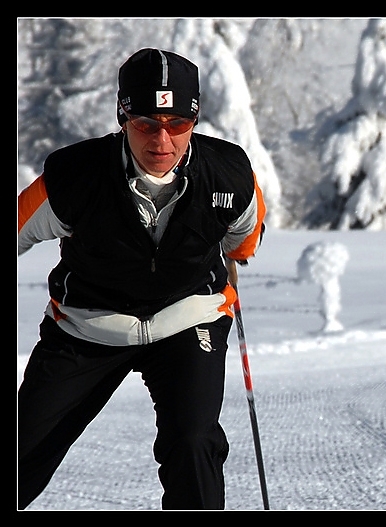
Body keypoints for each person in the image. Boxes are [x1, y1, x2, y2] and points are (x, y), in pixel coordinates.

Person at [17, 48, 266, 510]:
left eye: (177, 125)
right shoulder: (74, 179)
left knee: (193, 442)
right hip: (87, 326)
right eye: (147, 124)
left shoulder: (229, 174)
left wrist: (237, 256)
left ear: (194, 122)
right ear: (123, 117)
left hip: (187, 319)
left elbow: (246, 233)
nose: (162, 141)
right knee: (22, 452)